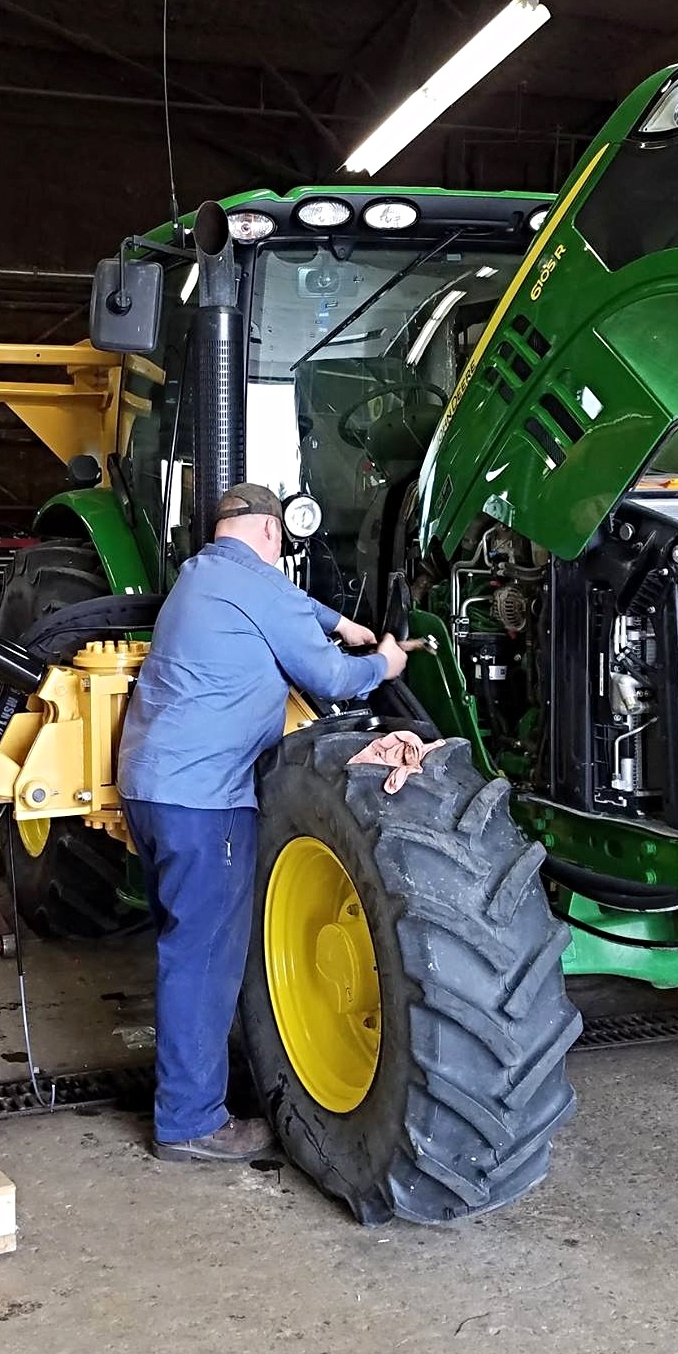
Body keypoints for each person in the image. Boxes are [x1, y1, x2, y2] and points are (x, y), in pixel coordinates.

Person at [118, 482, 408, 1162]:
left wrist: (339, 619)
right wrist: (383, 660)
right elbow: (335, 680)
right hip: (203, 802)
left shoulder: (202, 574)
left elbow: (288, 605)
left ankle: (190, 1097)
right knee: (205, 959)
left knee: (184, 946)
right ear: (276, 535)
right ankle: (190, 1122)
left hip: (150, 790)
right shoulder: (260, 584)